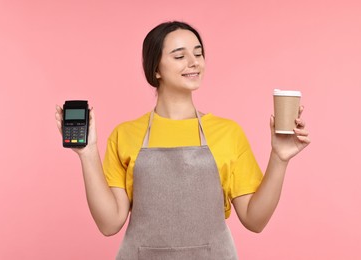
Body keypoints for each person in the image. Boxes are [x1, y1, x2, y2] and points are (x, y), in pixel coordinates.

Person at [55, 21, 310, 260]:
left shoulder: (227, 133)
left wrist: (279, 158)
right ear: (155, 69)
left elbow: (255, 220)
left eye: (198, 54)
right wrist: (87, 153)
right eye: (179, 56)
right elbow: (109, 224)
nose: (193, 62)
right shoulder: (125, 135)